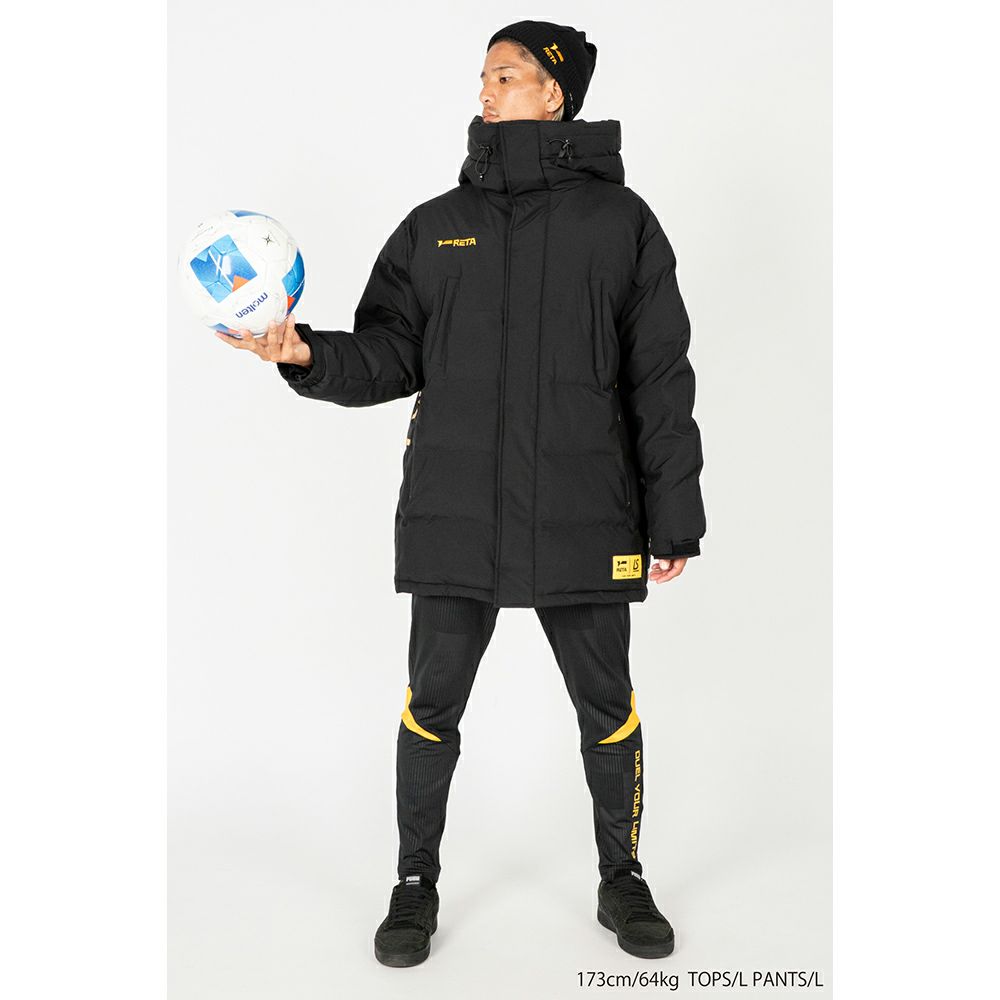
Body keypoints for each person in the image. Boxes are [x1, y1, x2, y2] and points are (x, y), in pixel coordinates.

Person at [218, 20, 706, 967]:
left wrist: (673, 516)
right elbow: (389, 351)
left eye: (507, 75)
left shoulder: (623, 225)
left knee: (605, 701)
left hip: (586, 511)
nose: (485, 90)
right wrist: (305, 353)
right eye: (483, 75)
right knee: (431, 701)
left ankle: (622, 876)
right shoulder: (437, 224)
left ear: (555, 95)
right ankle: (414, 883)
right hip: (457, 508)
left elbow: (660, 377)